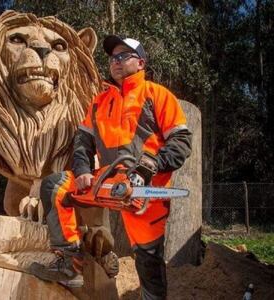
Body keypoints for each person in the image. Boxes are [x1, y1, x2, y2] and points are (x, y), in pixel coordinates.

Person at [30, 35, 192, 299]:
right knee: (54, 186)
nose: (115, 62)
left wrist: (151, 166)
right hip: (105, 179)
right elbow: (83, 140)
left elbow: (181, 141)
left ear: (140, 63)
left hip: (143, 187)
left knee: (148, 257)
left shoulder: (157, 95)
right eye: (112, 58)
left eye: (122, 57)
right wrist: (82, 169)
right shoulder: (99, 101)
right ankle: (69, 262)